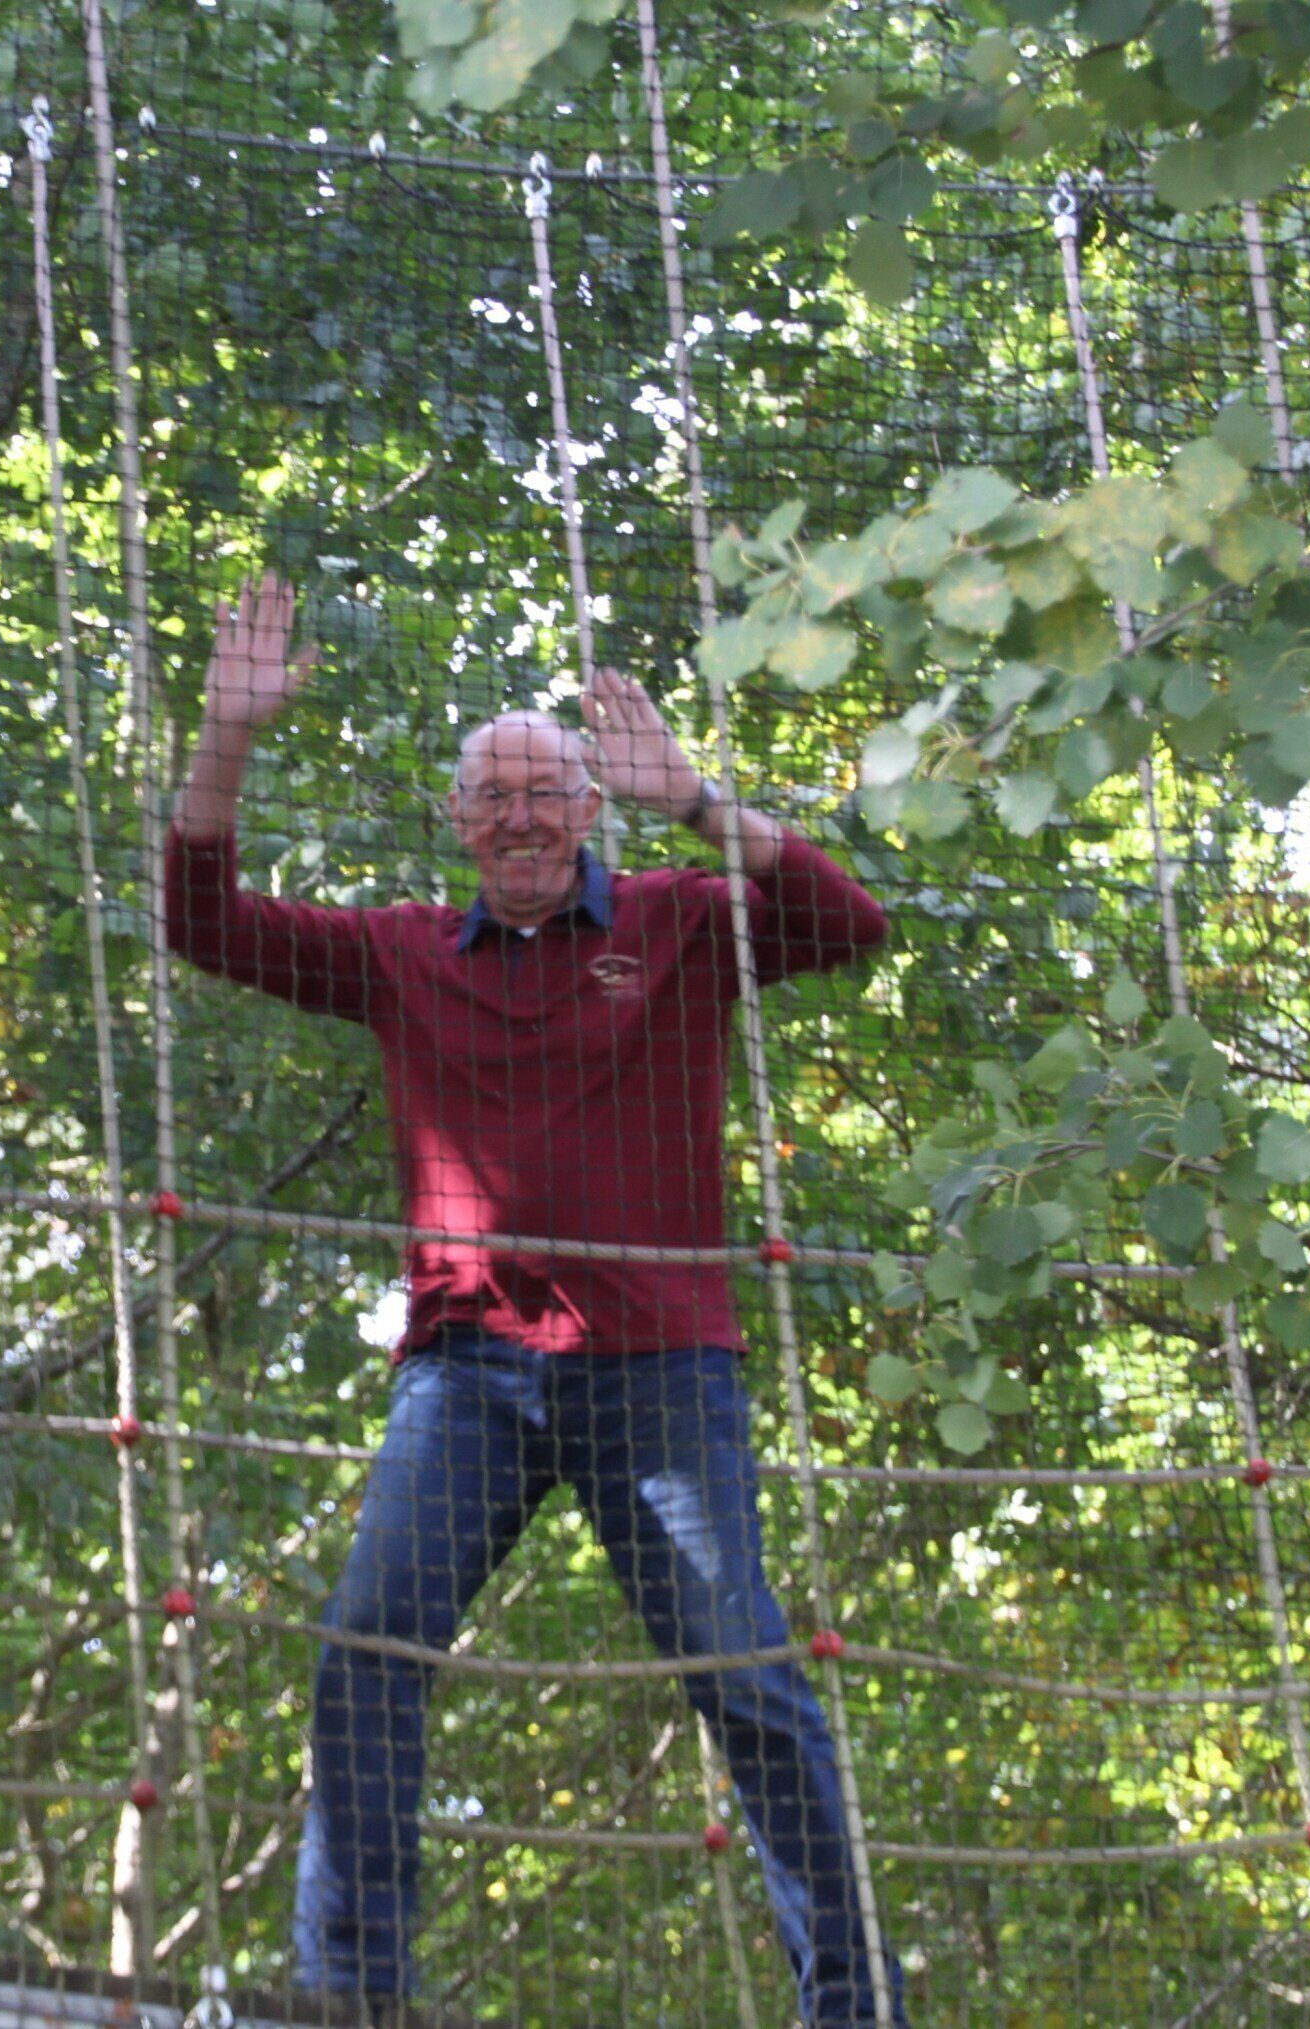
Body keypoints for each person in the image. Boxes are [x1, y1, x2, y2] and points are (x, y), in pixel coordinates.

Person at [165, 572, 904, 2025]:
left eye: (547, 791)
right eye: (493, 796)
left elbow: (848, 923)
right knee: (367, 1649)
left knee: (745, 1674)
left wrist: (697, 800)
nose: (520, 816)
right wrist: (227, 737)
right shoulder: (399, 956)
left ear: (590, 809)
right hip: (469, 1371)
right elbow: (203, 923)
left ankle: (854, 2008)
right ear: (457, 821)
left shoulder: (681, 921)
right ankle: (352, 1997)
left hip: (659, 1366)